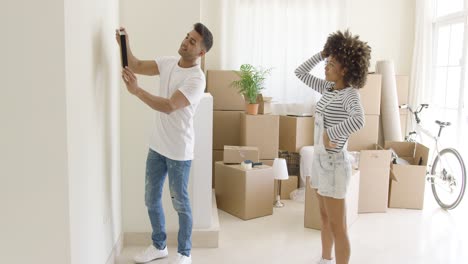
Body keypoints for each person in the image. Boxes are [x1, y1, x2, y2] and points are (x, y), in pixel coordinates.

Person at [116, 23, 213, 264]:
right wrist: (124, 43)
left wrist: (137, 91)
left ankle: (184, 253)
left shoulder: (196, 79)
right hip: (157, 145)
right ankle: (159, 246)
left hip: (179, 151)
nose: (185, 42)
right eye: (186, 37)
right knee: (151, 198)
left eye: (192, 42)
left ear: (201, 53)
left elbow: (170, 106)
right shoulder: (169, 62)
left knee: (180, 203)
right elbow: (136, 65)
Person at [295, 30, 371, 264]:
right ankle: (325, 259)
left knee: (339, 227)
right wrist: (323, 53)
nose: (326, 67)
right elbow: (299, 72)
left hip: (335, 165)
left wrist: (332, 132)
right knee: (324, 218)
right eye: (327, 62)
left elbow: (359, 119)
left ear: (345, 69)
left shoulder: (350, 95)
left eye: (332, 63)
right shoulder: (328, 88)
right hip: (319, 162)